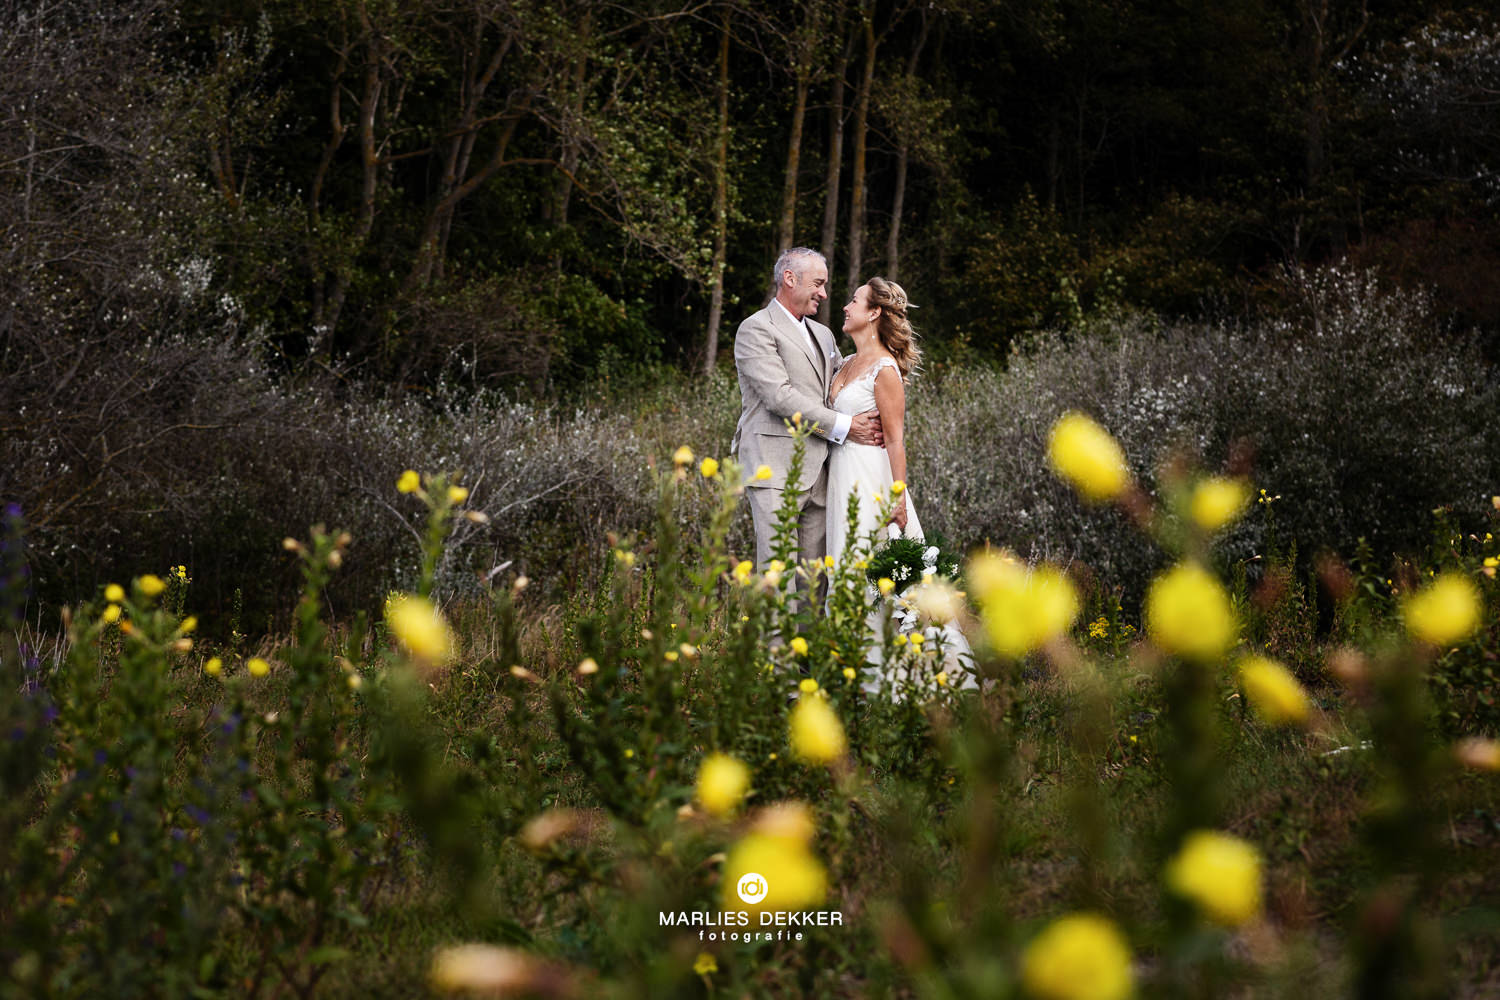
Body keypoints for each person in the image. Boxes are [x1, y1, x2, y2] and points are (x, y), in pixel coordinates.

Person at [825, 276, 976, 692]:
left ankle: (906, 677)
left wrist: (898, 499)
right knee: (847, 567)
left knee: (880, 574)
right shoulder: (843, 363)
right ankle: (854, 673)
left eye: (853, 301)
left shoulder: (885, 369)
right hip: (841, 478)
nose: (845, 306)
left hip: (872, 481)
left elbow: (894, 438)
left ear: (874, 312)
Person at [731, 248, 883, 573]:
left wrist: (881, 360)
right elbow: (779, 397)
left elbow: (841, 382)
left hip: (823, 473)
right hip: (775, 471)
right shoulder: (755, 329)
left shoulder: (823, 334)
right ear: (789, 278)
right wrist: (845, 425)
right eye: (818, 283)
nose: (824, 294)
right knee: (777, 575)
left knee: (814, 581)